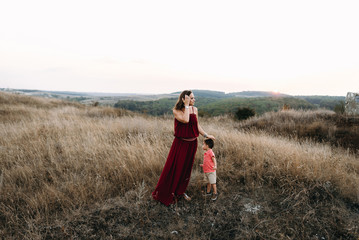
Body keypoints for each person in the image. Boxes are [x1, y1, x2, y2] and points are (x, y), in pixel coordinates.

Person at [152, 90, 215, 206]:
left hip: (192, 144)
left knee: (186, 169)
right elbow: (186, 120)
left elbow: (196, 125)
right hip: (180, 144)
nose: (193, 100)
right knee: (176, 168)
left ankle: (180, 192)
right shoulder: (176, 110)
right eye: (191, 98)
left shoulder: (195, 109)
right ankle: (170, 193)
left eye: (193, 98)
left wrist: (206, 135)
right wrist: (186, 105)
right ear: (184, 99)